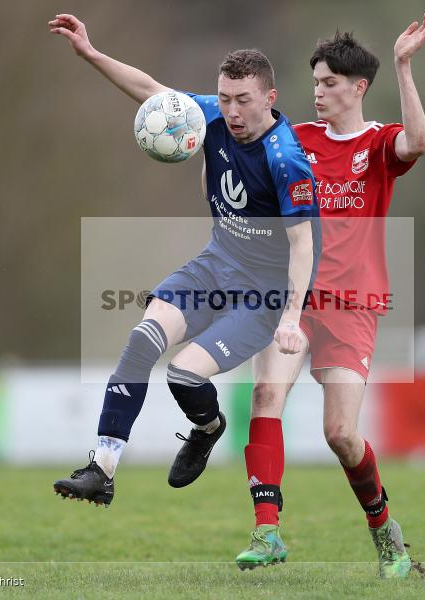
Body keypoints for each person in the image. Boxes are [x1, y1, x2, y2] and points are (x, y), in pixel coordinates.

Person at [47, 14, 320, 508]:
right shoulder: (211, 115)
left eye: (243, 100)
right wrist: (91, 53)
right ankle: (102, 469)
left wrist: (291, 318)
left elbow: (303, 245)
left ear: (270, 98)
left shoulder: (286, 160)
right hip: (214, 266)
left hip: (261, 296)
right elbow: (151, 91)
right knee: (142, 340)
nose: (231, 111)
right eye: (225, 98)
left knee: (183, 375)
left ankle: (208, 428)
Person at [230, 16, 425, 578]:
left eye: (328, 83)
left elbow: (418, 142)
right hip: (293, 300)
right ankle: (267, 530)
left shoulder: (377, 144)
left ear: (358, 87)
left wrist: (403, 65)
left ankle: (385, 531)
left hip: (353, 305)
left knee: (341, 435)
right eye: (315, 82)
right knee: (266, 393)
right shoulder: (295, 139)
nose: (317, 92)